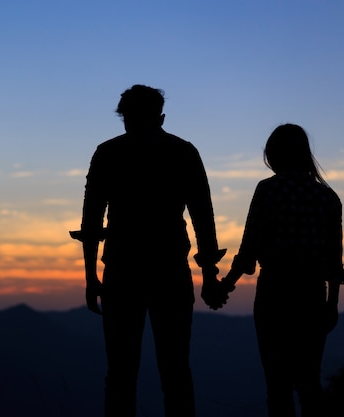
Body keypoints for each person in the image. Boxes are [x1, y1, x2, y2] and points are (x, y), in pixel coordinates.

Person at [70, 84, 227, 417]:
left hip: (123, 271)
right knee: (175, 372)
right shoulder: (183, 152)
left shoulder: (108, 153)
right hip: (169, 270)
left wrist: (90, 277)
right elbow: (203, 216)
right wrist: (210, 277)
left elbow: (92, 221)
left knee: (121, 373)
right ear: (161, 116)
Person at [219, 123, 344, 417]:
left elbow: (248, 248)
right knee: (309, 383)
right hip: (314, 295)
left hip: (275, 293)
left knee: (278, 386)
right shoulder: (328, 198)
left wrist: (226, 285)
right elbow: (333, 261)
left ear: (274, 155)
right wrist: (333, 304)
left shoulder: (268, 190)